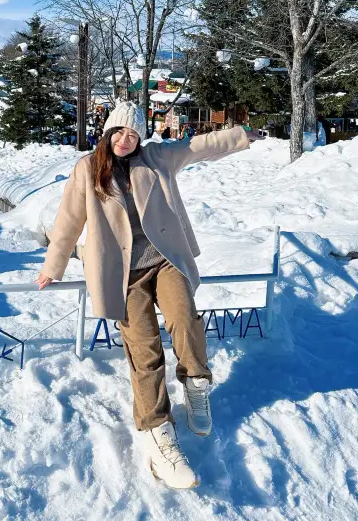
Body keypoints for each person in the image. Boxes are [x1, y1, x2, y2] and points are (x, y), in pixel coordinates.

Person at [37, 101, 261, 489]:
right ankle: (158, 435)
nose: (127, 140)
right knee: (144, 351)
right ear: (108, 133)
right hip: (122, 275)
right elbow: (69, 220)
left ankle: (195, 384)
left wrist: (242, 136)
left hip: (165, 259)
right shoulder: (87, 169)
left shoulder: (156, 158)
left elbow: (199, 146)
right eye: (120, 132)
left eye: (134, 134)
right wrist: (52, 267)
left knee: (185, 319)